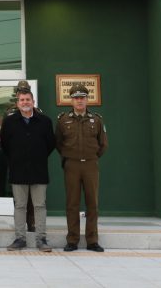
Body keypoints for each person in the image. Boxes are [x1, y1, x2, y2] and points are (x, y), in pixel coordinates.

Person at [0, 84, 55, 252]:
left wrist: (36, 156)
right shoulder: (9, 122)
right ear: (17, 103)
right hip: (18, 170)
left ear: (33, 101)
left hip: (39, 170)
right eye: (22, 100)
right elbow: (5, 144)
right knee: (20, 206)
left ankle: (41, 239)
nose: (25, 102)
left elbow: (51, 144)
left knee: (39, 206)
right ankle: (20, 239)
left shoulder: (45, 121)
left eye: (28, 99)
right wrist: (17, 158)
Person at [55, 83, 108, 253]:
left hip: (91, 165)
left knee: (92, 203)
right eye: (76, 98)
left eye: (82, 98)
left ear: (87, 100)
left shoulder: (97, 120)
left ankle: (92, 240)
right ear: (71, 100)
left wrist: (92, 157)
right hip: (72, 165)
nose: (79, 101)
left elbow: (103, 144)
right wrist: (70, 156)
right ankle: (72, 240)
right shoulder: (63, 120)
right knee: (72, 203)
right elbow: (58, 143)